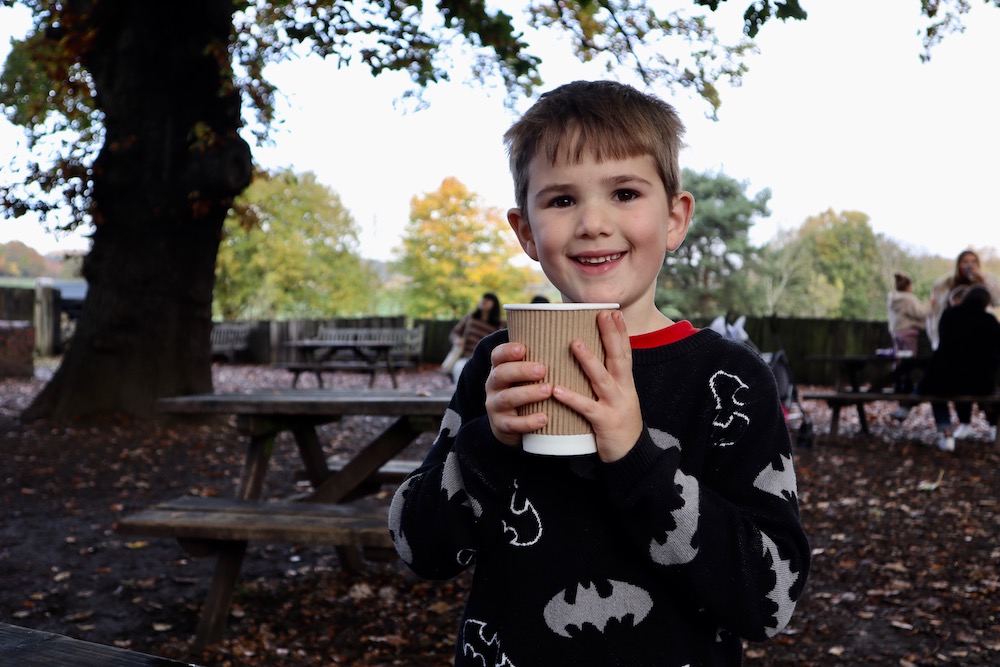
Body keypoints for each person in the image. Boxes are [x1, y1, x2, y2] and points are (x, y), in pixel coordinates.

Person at [389, 80, 810, 666]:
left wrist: (637, 456)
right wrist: (488, 444)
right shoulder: (498, 367)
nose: (592, 222)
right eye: (562, 200)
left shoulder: (728, 378)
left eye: (624, 193)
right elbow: (419, 550)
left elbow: (771, 598)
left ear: (674, 218)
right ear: (527, 232)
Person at [918, 285, 1000, 451]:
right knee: (983, 387)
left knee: (935, 389)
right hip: (981, 383)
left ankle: (947, 433)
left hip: (946, 380)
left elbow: (942, 344)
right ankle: (993, 428)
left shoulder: (949, 316)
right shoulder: (989, 321)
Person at [927, 250, 1000, 350]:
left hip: (978, 336)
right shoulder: (945, 284)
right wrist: (936, 341)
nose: (970, 265)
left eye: (974, 262)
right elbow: (935, 312)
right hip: (952, 335)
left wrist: (983, 279)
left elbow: (997, 301)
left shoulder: (985, 282)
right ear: (958, 264)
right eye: (965, 262)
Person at [886, 272, 931, 419]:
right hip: (909, 333)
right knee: (909, 363)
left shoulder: (893, 298)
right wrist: (931, 304)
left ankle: (899, 388)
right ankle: (906, 393)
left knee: (899, 361)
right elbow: (920, 312)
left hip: (896, 332)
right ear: (909, 286)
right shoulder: (908, 299)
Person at [441, 292, 505, 383]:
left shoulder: (498, 326)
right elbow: (454, 333)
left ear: (494, 304)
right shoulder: (470, 318)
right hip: (465, 358)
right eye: (483, 298)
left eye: (488, 299)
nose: (484, 301)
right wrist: (457, 340)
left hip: (484, 363)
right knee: (459, 372)